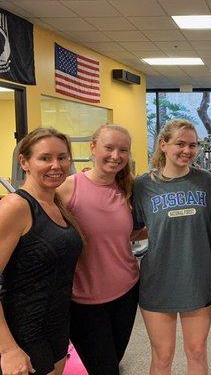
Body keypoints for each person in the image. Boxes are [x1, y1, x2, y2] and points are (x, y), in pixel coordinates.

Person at [132, 119, 211, 375]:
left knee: (197, 351)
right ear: (163, 145)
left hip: (197, 277)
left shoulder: (207, 181)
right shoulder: (142, 185)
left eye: (193, 145)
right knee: (162, 356)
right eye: (180, 143)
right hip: (158, 279)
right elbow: (135, 229)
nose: (187, 150)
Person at [56, 124, 140, 375]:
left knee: (115, 358)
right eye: (109, 147)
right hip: (84, 300)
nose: (116, 156)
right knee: (104, 368)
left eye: (123, 150)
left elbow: (132, 231)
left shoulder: (129, 189)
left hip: (127, 291)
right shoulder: (68, 188)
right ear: (93, 147)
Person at [0, 128, 83, 375]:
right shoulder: (15, 207)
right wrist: (8, 350)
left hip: (55, 326)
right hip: (24, 334)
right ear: (24, 162)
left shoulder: (56, 202)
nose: (56, 165)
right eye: (45, 158)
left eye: (62, 157)